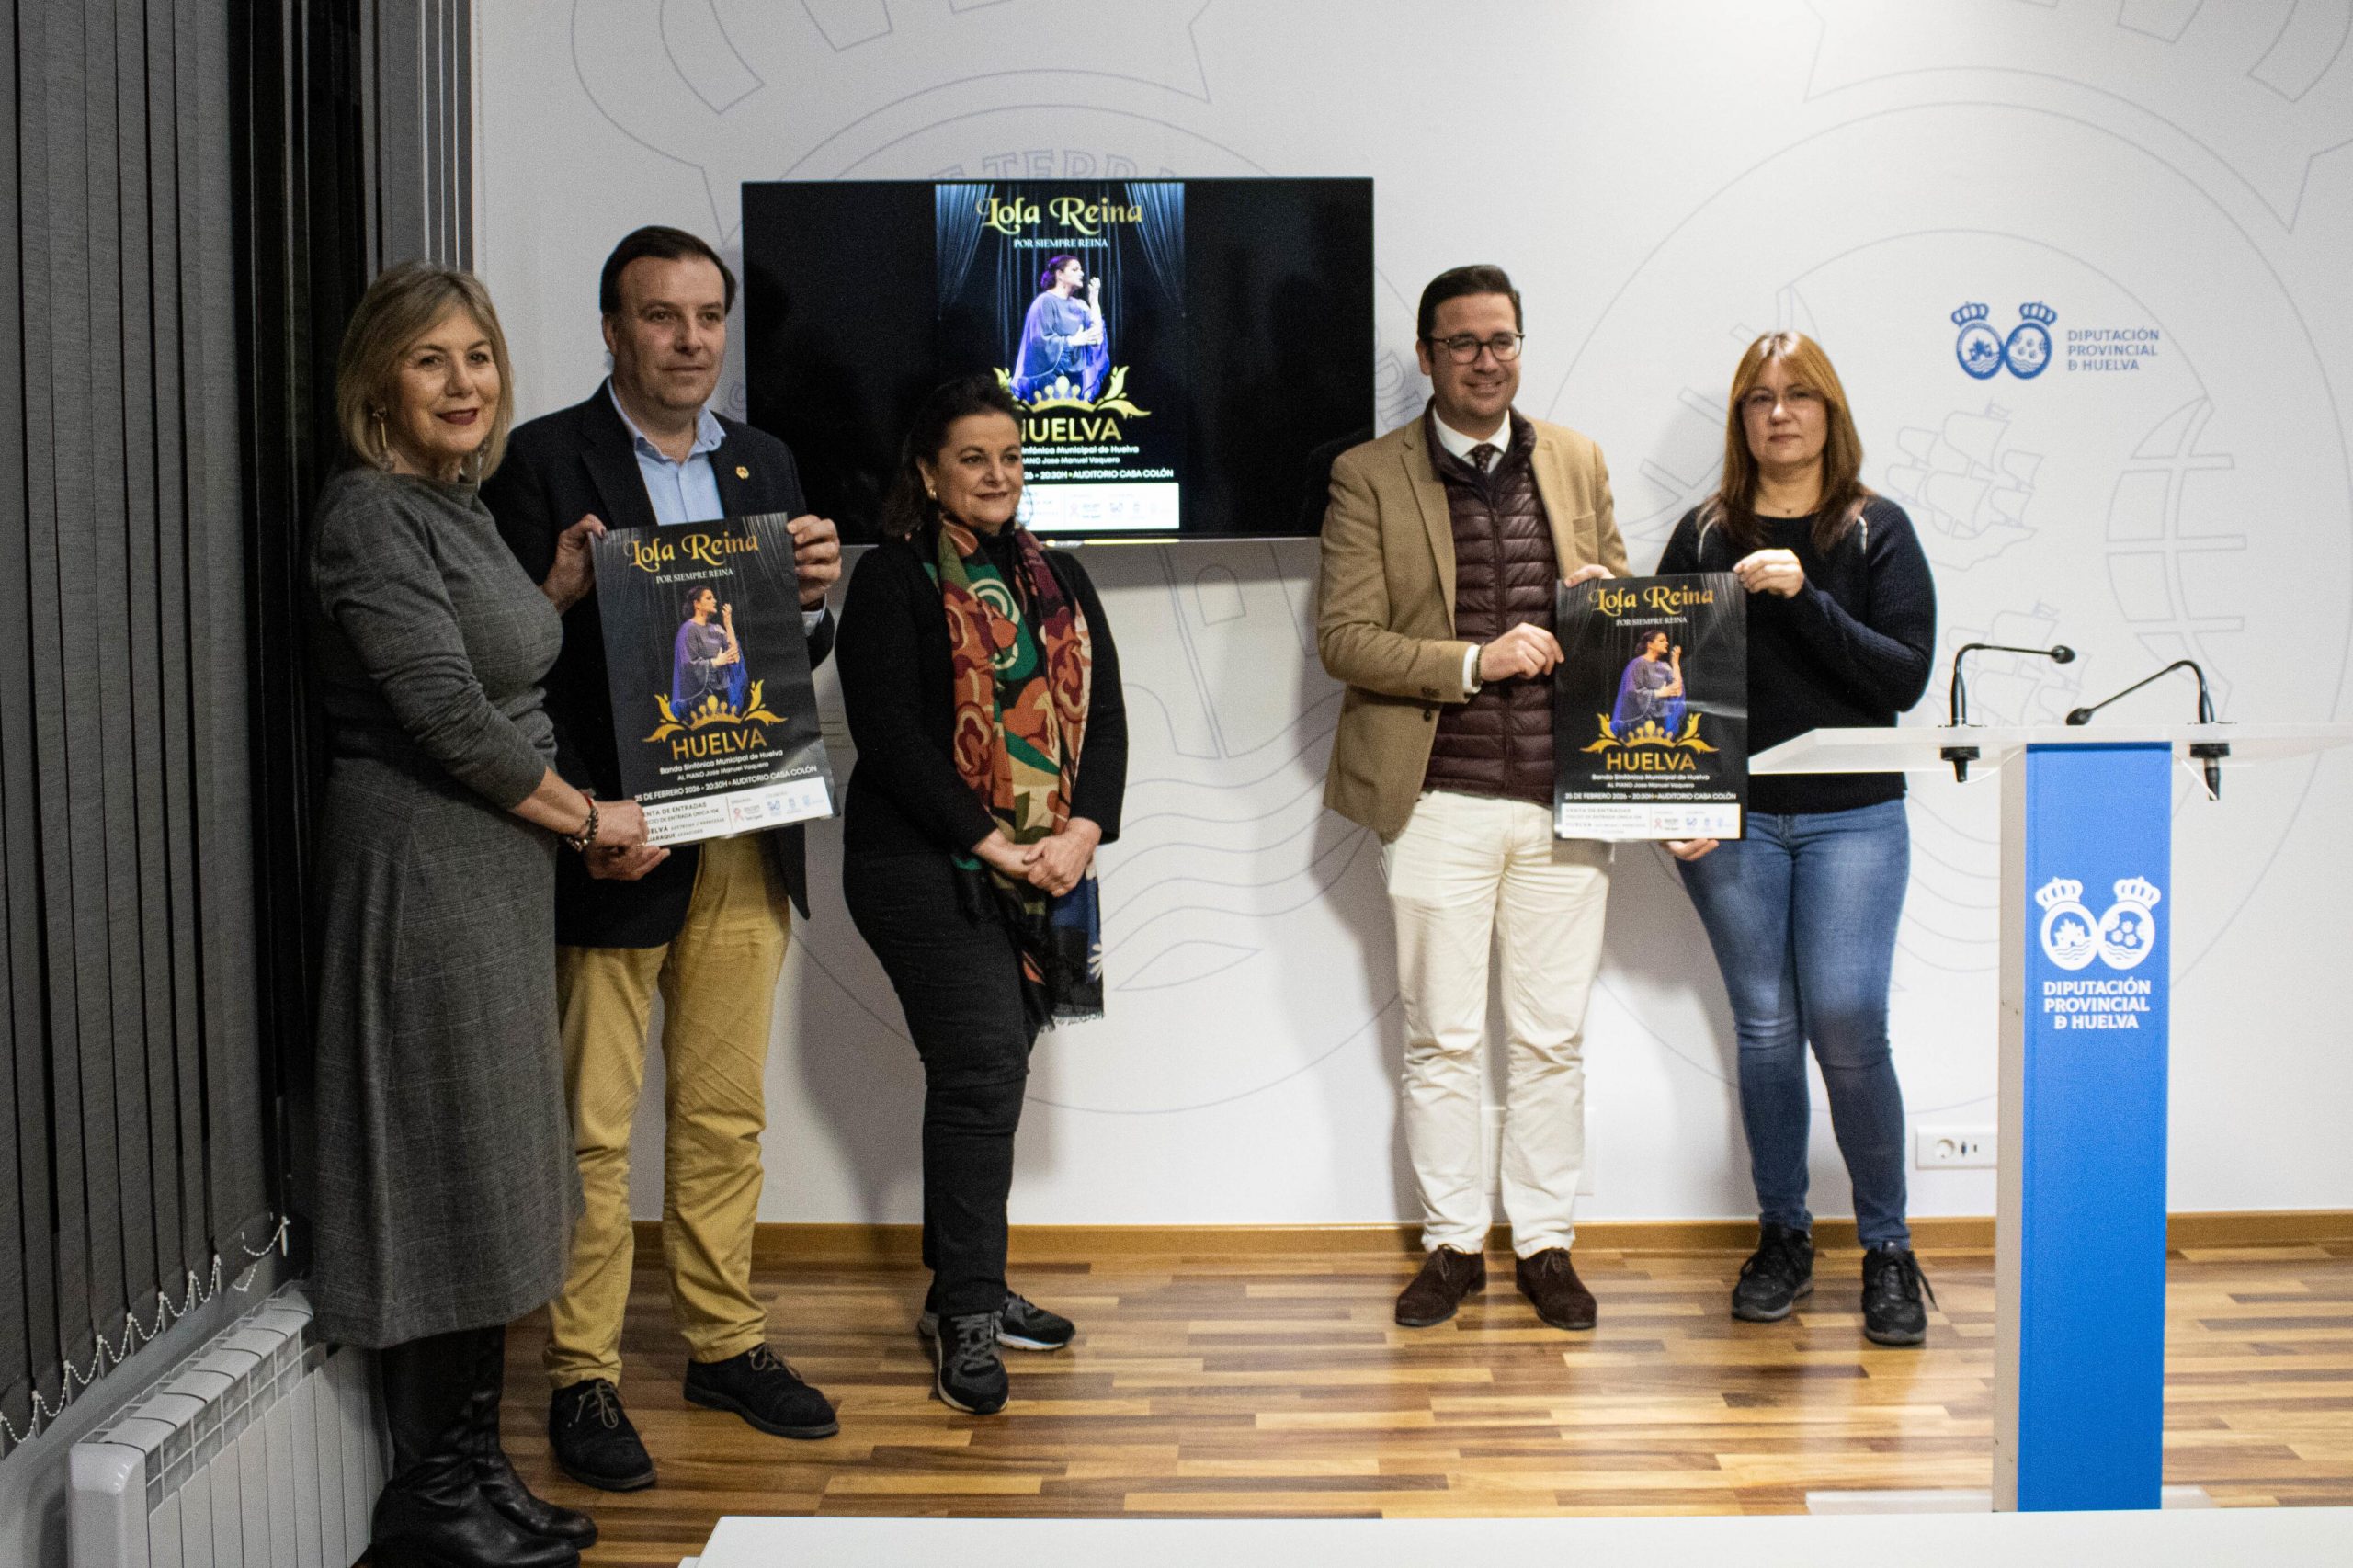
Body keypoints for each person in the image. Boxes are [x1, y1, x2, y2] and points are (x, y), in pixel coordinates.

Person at [482, 225, 845, 1492]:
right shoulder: (540, 462)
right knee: (590, 1133)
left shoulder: (764, 460)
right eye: (659, 316)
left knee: (724, 1115)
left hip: (745, 832)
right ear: (611, 329)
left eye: (706, 317)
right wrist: (559, 597)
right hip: (612, 842)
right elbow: (496, 663)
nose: (689, 341)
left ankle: (723, 1342)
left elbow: (786, 657)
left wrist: (813, 600)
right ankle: (581, 1371)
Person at [310, 263, 650, 1568]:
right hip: (425, 875)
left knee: (499, 1167)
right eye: (431, 359)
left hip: (489, 875)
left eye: (480, 356)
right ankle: (436, 1494)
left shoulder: (448, 507)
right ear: (377, 382)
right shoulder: (366, 515)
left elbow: (480, 659)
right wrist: (589, 818)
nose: (466, 383)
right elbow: (445, 713)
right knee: (454, 1165)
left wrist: (551, 593)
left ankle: (477, 1467)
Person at [1316, 265, 1628, 1335]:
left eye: (1501, 340)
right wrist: (1472, 660)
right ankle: (1452, 1241)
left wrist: (1606, 608)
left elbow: (1628, 615)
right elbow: (1343, 637)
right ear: (1426, 356)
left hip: (1561, 796)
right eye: (1462, 343)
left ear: (1519, 348)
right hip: (1435, 795)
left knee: (1551, 1039)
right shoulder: (1367, 475)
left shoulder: (1576, 458)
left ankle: (1543, 1242)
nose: (1484, 360)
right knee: (1441, 1037)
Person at [835, 374, 1127, 1415]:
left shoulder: (1061, 576)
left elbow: (1106, 721)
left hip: (1043, 866)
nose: (997, 475)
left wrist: (1082, 831)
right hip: (919, 864)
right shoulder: (892, 579)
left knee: (989, 1075)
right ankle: (966, 1312)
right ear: (927, 472)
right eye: (972, 457)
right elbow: (890, 738)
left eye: (1010, 456)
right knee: (981, 1067)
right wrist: (993, 842)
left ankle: (968, 1285)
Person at [1654, 330, 1938, 1346]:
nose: (1779, 414)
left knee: (1849, 1021)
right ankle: (1783, 1234)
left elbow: (1901, 678)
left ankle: (1888, 1247)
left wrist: (1802, 597)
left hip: (1854, 814)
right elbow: (1656, 674)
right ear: (1740, 419)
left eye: (1799, 395)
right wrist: (1668, 802)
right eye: (1759, 398)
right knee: (1766, 1028)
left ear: (1830, 411)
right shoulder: (1702, 532)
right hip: (1731, 820)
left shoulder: (1875, 529)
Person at [1010, 254, 1107, 401]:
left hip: (1076, 381)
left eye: (1081, 269)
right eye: (1075, 269)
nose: (1082, 273)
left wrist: (1094, 302)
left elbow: (1097, 336)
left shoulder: (1079, 305)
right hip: (1049, 384)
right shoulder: (1045, 302)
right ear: (1059, 274)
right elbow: (1039, 342)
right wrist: (1072, 341)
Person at [671, 585, 746, 717]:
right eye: (709, 598)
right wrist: (715, 662)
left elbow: (735, 656)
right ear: (697, 604)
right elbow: (688, 667)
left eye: (714, 598)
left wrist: (728, 625)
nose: (715, 601)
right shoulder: (688, 630)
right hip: (700, 699)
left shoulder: (716, 628)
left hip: (723, 695)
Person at [1612, 631, 1686, 735]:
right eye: (1661, 640)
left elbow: (1678, 690)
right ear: (1650, 644)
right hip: (1638, 724)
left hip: (1660, 723)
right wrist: (1659, 693)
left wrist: (1675, 663)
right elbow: (1631, 694)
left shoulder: (1665, 666)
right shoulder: (1637, 664)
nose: (1667, 643)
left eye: (1666, 640)